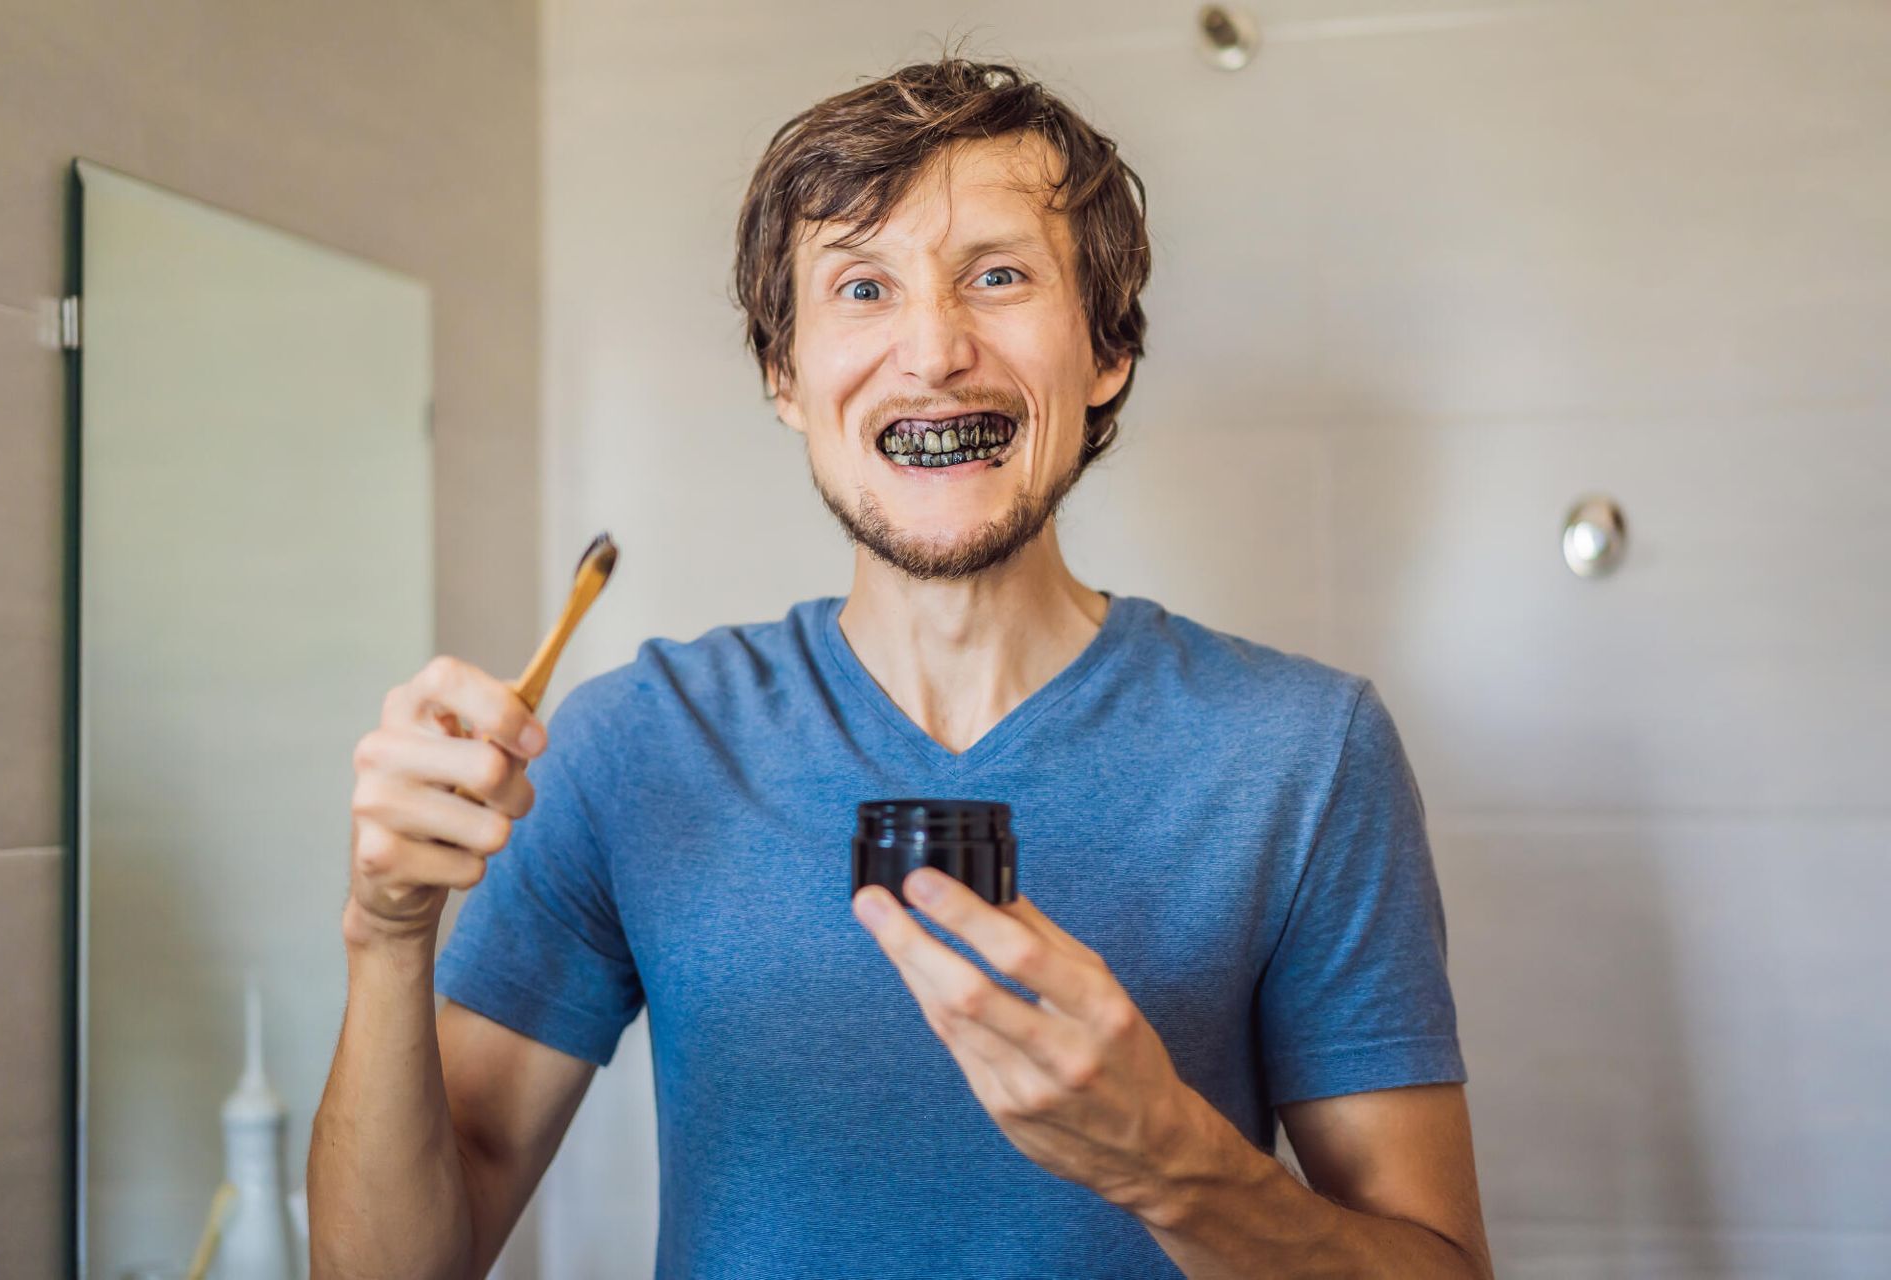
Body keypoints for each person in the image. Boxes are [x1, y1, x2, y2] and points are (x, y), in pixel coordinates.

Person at [309, 57, 1492, 1280]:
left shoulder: (1304, 751)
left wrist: (1173, 1163)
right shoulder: (630, 747)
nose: (933, 350)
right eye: (864, 286)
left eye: (998, 275)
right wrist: (385, 933)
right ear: (785, 374)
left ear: (1107, 353)